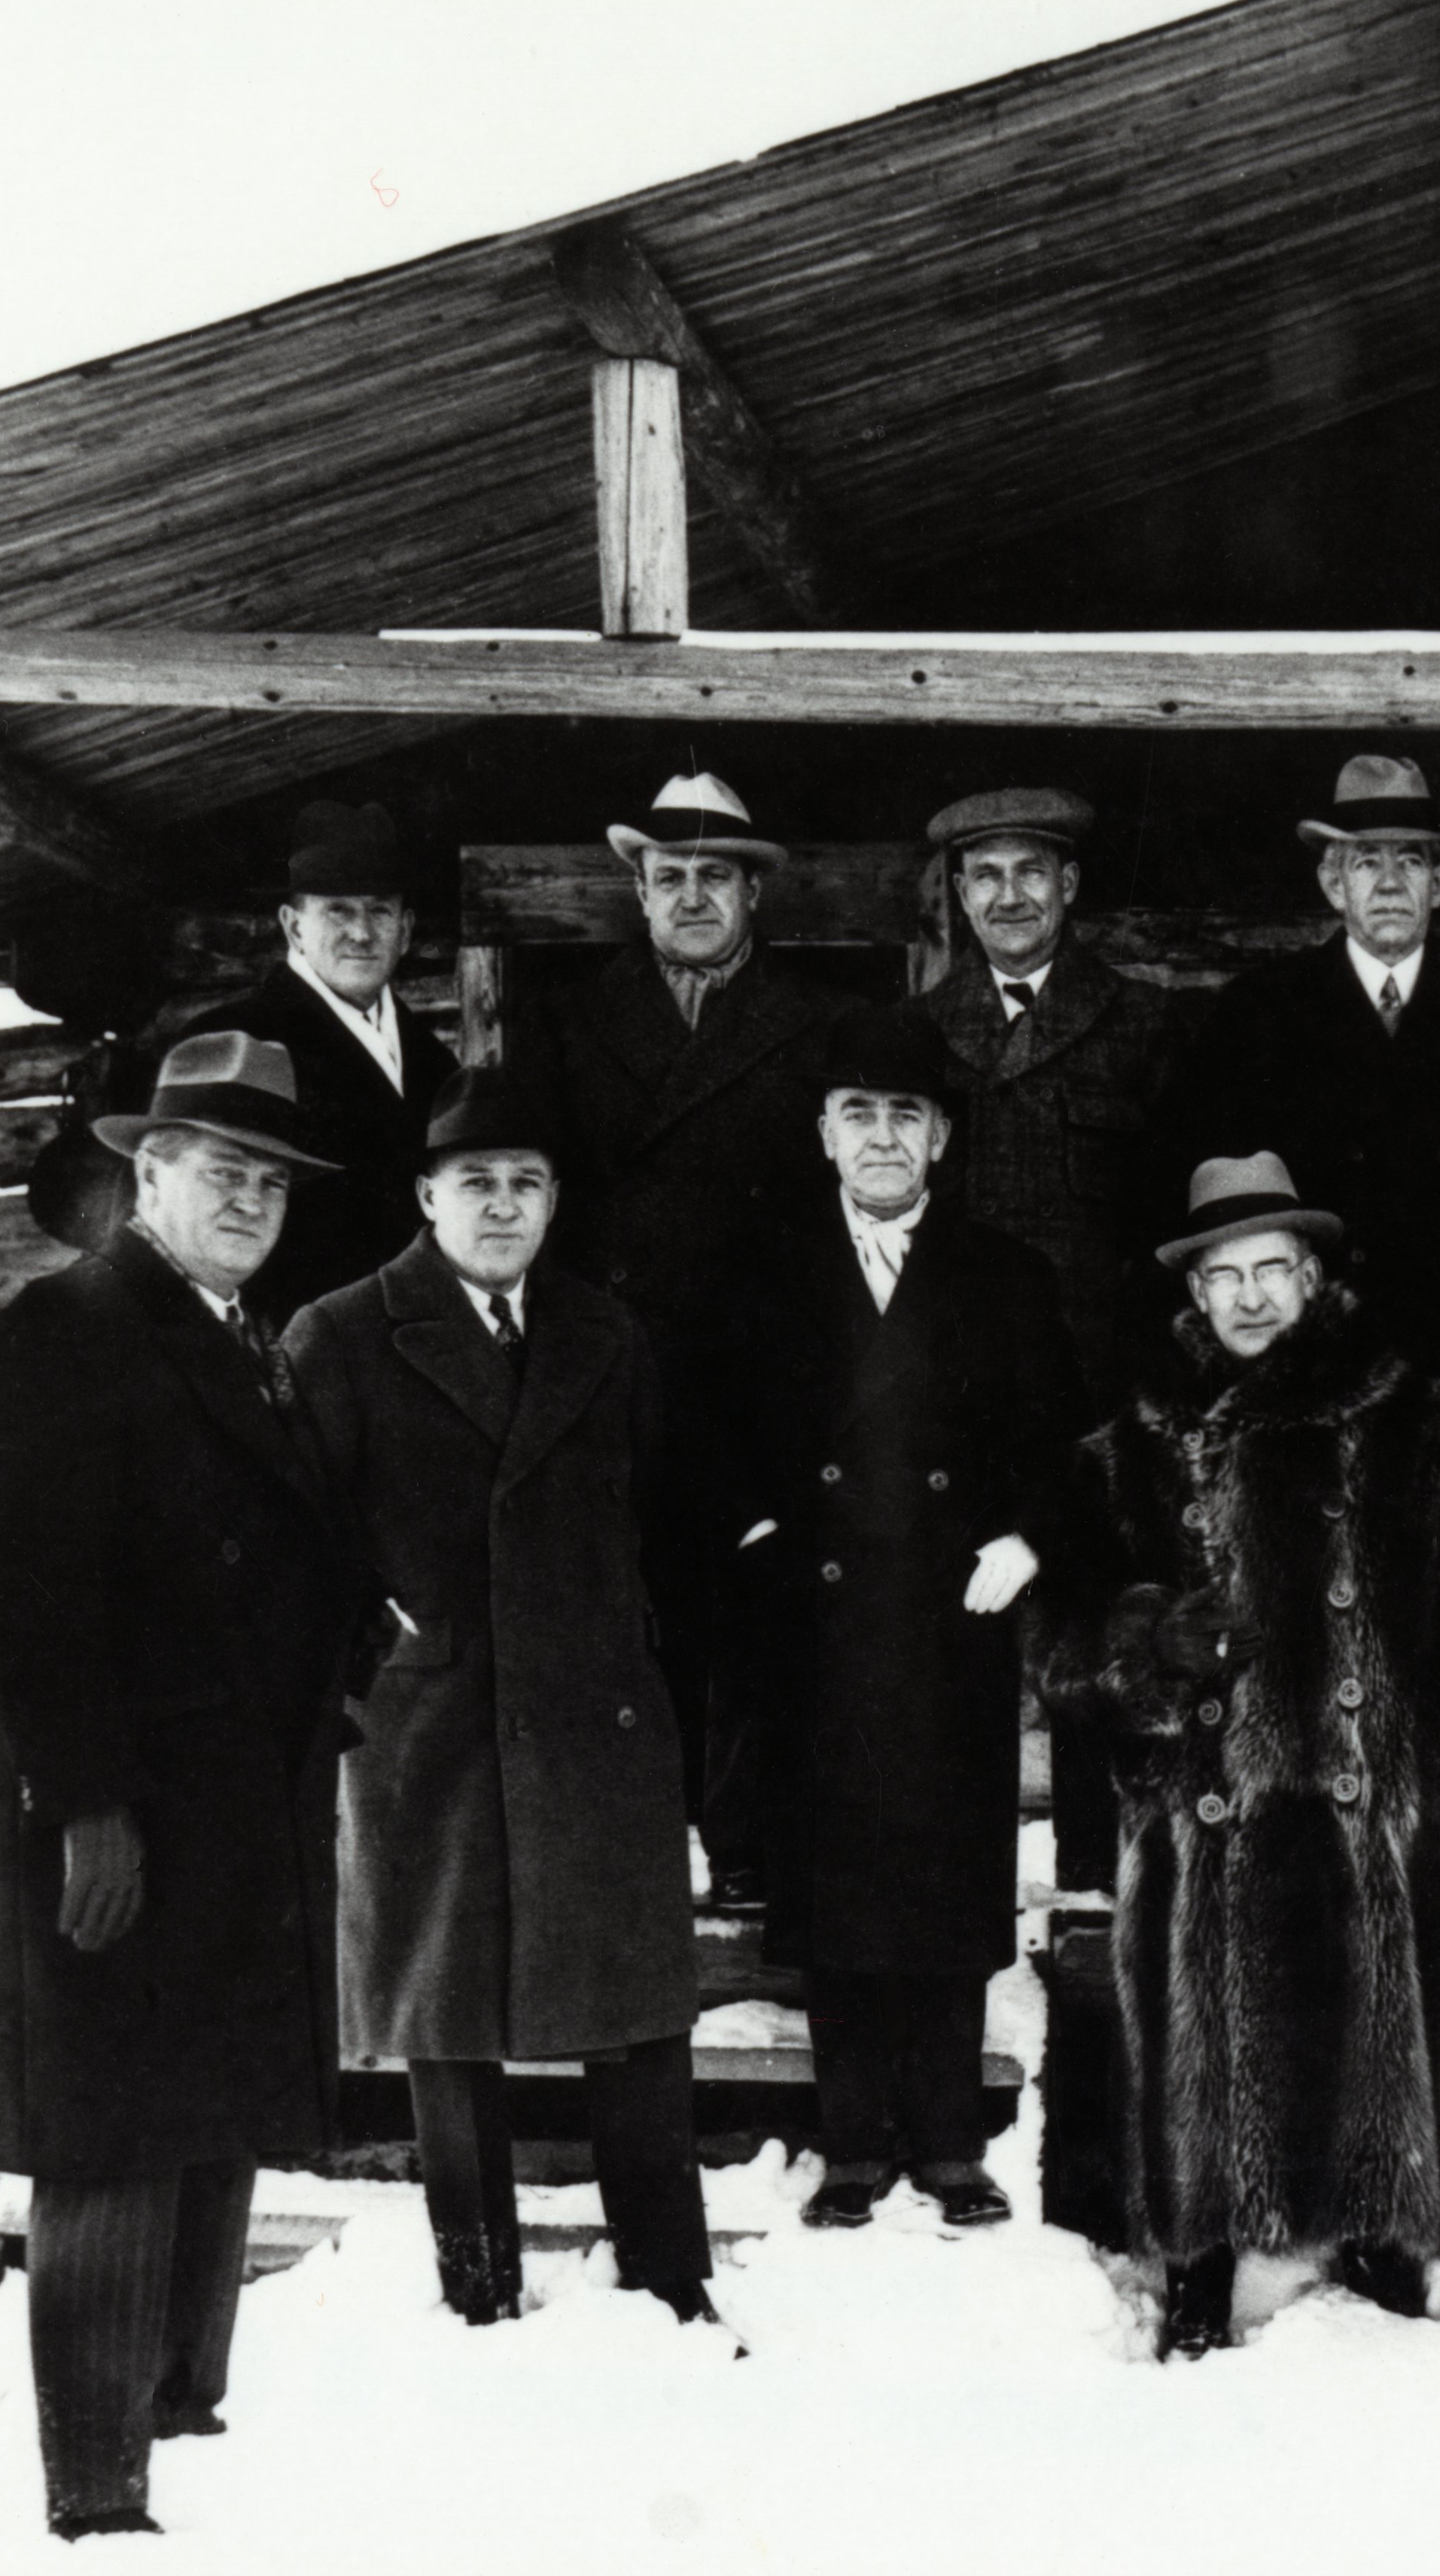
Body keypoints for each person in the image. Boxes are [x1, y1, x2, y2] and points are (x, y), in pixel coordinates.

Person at [0, 1034, 364, 2540]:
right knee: (107, 2125)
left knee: (209, 2107)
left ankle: (183, 2407)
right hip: (115, 1803)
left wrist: (344, 1664)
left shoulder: (242, 1333)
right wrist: (91, 1802)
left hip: (233, 1793)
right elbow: (34, 1594)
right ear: (147, 1174)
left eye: (272, 1176)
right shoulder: (71, 1325)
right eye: (217, 1167)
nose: (249, 1195)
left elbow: (278, 1544)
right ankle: (96, 2486)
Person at [1043, 1154, 1440, 2358]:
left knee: (1380, 2024)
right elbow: (1060, 1645)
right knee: (1203, 2044)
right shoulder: (1131, 1445)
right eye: (1229, 1276)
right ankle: (1203, 2265)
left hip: (1369, 1797)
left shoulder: (1415, 1417)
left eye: (1278, 1269)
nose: (1255, 1296)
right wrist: (1145, 1648)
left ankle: (1376, 2237)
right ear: (1195, 1295)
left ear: (1317, 1279)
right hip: (1205, 1805)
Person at [279, 1071, 715, 2331]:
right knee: (447, 2005)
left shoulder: (600, 1330)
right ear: (427, 1196)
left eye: (527, 1183)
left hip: (593, 1712)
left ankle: (667, 2277)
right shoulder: (343, 1332)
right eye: (477, 1182)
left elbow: (652, 1513)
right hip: (435, 1714)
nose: (504, 1205)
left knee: (634, 2002)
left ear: (556, 1201)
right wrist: (377, 1637)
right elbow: (304, 1537)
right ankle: (477, 2280)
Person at [702, 1003, 1084, 2231]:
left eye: (904, 1117)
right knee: (835, 1872)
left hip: (948, 1615)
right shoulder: (763, 1269)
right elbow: (706, 1438)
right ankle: (853, 2136)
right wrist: (756, 1532)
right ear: (824, 1135)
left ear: (939, 1139)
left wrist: (1027, 1536)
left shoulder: (1005, 1276)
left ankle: (948, 2140)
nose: (882, 1137)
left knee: (944, 1870)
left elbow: (1061, 1438)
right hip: (814, 1620)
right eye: (858, 1114)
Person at [522, 770, 851, 1894]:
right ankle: (638, 1851)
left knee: (760, 1606)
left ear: (755, 892)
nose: (693, 896)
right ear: (640, 890)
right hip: (617, 1358)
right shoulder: (569, 1020)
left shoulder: (818, 1023)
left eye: (717, 875)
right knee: (629, 1604)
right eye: (671, 877)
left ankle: (749, 1848)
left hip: (766, 1370)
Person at [1162, 753, 1440, 1430]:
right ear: (1333, 884)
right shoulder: (1259, 1013)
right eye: (1367, 862)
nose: (1390, 882)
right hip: (1309, 1365)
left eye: (1412, 861)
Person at [909, 783, 1194, 1406]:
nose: (1009, 897)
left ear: (1067, 884)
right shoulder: (917, 1030)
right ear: (960, 894)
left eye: (1029, 873)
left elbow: (1172, 1226)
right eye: (986, 876)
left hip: (1102, 1377)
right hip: (957, 1376)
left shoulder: (1147, 1023)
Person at [204, 798, 464, 1328]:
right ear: (294, 926)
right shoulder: (234, 1042)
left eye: (379, 910)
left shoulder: (435, 1063)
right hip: (290, 1355)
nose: (362, 932)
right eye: (338, 910)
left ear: (406, 928)